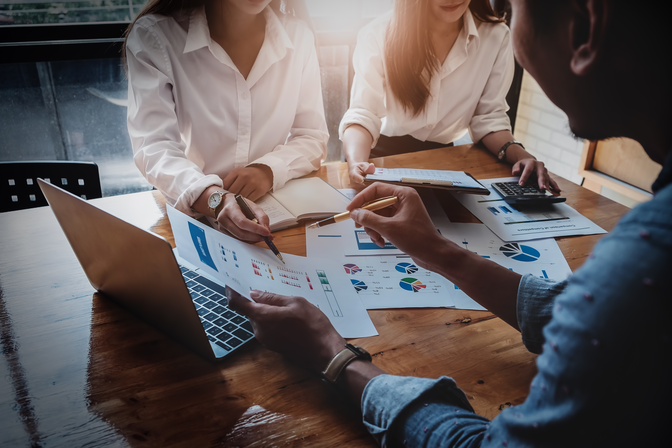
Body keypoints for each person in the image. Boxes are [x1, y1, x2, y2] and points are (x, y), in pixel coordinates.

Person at [227, 0, 672, 446]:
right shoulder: (640, 264)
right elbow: (578, 314)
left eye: (515, 6)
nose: (507, 21)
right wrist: (438, 250)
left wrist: (335, 357)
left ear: (587, 29)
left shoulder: (642, 265)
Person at [125, 0, 328, 242]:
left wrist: (267, 171)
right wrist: (214, 198)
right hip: (195, 223)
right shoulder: (155, 36)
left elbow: (311, 136)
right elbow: (154, 147)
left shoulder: (299, 36)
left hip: (272, 221)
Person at [340, 0, 558, 193]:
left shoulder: (496, 36)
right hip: (378, 157)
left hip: (443, 162)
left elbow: (489, 119)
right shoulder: (378, 33)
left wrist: (522, 156)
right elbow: (363, 113)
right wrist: (357, 164)